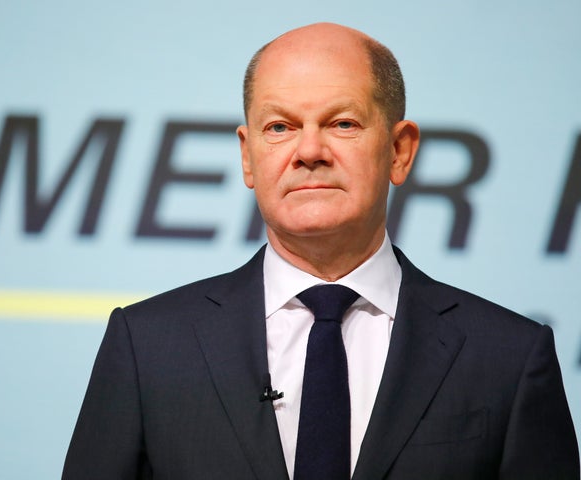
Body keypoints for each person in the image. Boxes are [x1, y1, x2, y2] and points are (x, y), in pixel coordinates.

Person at [62, 23, 579, 479]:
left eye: (342, 123)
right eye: (279, 127)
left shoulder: (509, 357)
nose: (309, 152)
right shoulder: (147, 346)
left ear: (399, 151)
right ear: (247, 156)